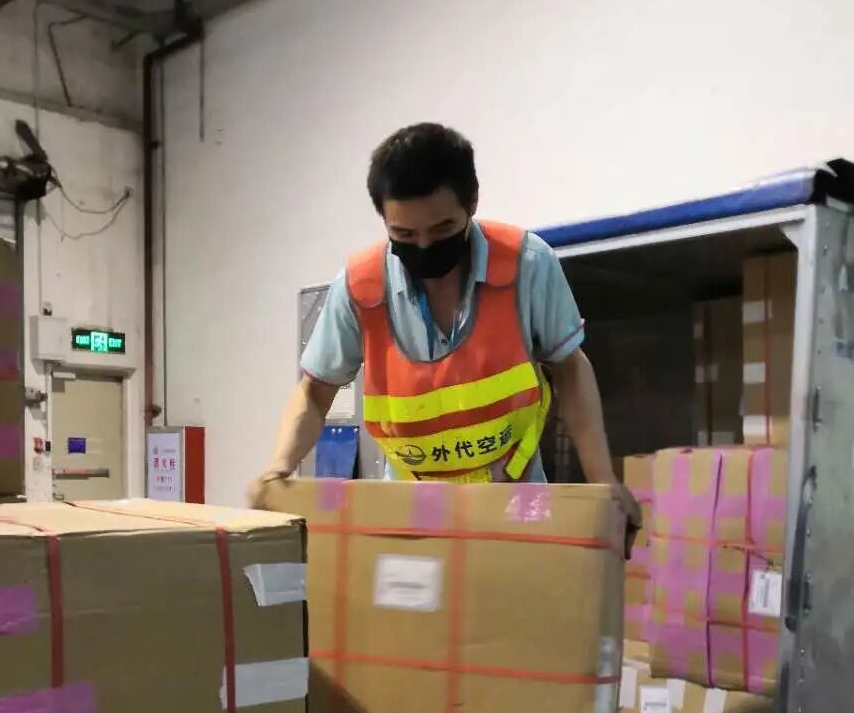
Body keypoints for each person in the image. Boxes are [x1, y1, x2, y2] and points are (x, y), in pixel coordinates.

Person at [248, 123, 641, 549]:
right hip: (411, 512)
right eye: (404, 235)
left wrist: (603, 482)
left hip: (513, 504)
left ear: (472, 202)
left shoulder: (527, 265)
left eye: (441, 230)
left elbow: (570, 369)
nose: (423, 245)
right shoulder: (361, 287)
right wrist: (278, 468)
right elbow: (314, 392)